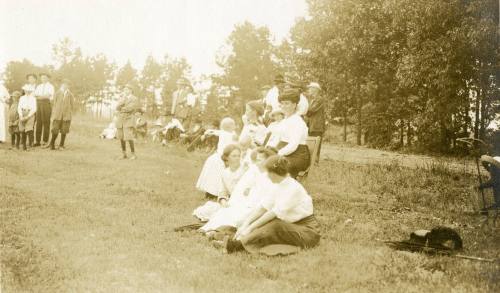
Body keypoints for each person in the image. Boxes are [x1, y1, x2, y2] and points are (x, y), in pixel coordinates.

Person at [222, 155, 320, 255]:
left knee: (275, 225)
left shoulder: (293, 188)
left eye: (268, 172)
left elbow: (273, 213)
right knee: (255, 220)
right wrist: (246, 224)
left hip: (307, 232)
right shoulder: (277, 185)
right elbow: (263, 208)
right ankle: (227, 236)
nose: (267, 176)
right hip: (290, 226)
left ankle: (236, 245)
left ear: (274, 173)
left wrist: (250, 228)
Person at [200, 147, 276, 234]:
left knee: (239, 216)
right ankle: (208, 229)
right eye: (257, 160)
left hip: (257, 206)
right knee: (227, 211)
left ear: (268, 161)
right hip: (247, 202)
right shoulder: (254, 171)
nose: (256, 163)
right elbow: (241, 189)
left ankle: (217, 231)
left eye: (259, 160)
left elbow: (266, 198)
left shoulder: (271, 176)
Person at [193, 144, 244, 221]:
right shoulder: (225, 173)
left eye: (238, 156)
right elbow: (222, 192)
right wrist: (224, 202)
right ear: (227, 158)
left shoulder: (245, 171)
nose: (237, 158)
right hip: (230, 201)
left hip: (243, 201)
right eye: (234, 156)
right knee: (206, 210)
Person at [196, 117, 238, 199]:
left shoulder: (223, 133)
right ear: (230, 127)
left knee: (212, 175)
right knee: (220, 176)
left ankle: (210, 193)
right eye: (233, 126)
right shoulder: (232, 135)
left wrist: (207, 133)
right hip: (224, 157)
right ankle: (216, 193)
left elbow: (213, 132)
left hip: (217, 157)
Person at [275, 88, 311, 178]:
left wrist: (278, 154)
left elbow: (293, 145)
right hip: (283, 151)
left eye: (287, 103)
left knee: (275, 166)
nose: (283, 106)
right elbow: (277, 139)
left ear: (294, 105)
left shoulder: (298, 122)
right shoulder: (284, 121)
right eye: (282, 104)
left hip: (297, 155)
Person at [116, 84, 141, 159]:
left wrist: (122, 108)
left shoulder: (134, 98)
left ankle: (133, 154)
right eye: (124, 90)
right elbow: (117, 107)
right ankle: (124, 154)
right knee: (121, 136)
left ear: (131, 90)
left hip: (129, 119)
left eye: (126, 90)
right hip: (121, 119)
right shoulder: (122, 98)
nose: (125, 91)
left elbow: (131, 108)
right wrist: (123, 101)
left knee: (129, 136)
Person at [47, 79, 74, 150]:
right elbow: (54, 104)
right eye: (64, 84)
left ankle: (61, 145)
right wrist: (55, 113)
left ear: (69, 86)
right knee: (55, 129)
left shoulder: (70, 94)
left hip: (66, 116)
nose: (66, 86)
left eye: (68, 84)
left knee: (64, 130)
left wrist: (69, 113)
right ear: (62, 84)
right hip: (57, 115)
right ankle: (52, 144)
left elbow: (72, 105)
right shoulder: (57, 93)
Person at [305, 82, 325, 163]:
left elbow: (311, 110)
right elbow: (309, 112)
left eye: (310, 88)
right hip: (311, 125)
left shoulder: (319, 99)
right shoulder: (312, 100)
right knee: (311, 143)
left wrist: (303, 110)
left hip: (317, 125)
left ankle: (315, 161)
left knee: (316, 144)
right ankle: (312, 161)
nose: (309, 90)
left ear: (315, 90)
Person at [34, 73, 54, 147]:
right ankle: (37, 141)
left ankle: (45, 141)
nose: (43, 79)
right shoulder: (39, 86)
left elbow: (48, 96)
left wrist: (40, 97)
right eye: (42, 78)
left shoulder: (50, 86)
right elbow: (35, 95)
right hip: (38, 104)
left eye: (45, 78)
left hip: (46, 104)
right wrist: (41, 97)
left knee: (46, 122)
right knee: (38, 122)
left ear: (48, 78)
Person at [18, 84, 37, 150]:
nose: (27, 92)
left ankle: (31, 143)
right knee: (22, 129)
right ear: (24, 91)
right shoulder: (21, 98)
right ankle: (24, 145)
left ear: (31, 91)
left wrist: (28, 116)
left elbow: (34, 108)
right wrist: (20, 115)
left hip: (30, 113)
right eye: (26, 90)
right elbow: (19, 107)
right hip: (22, 113)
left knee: (29, 128)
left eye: (29, 91)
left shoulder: (33, 98)